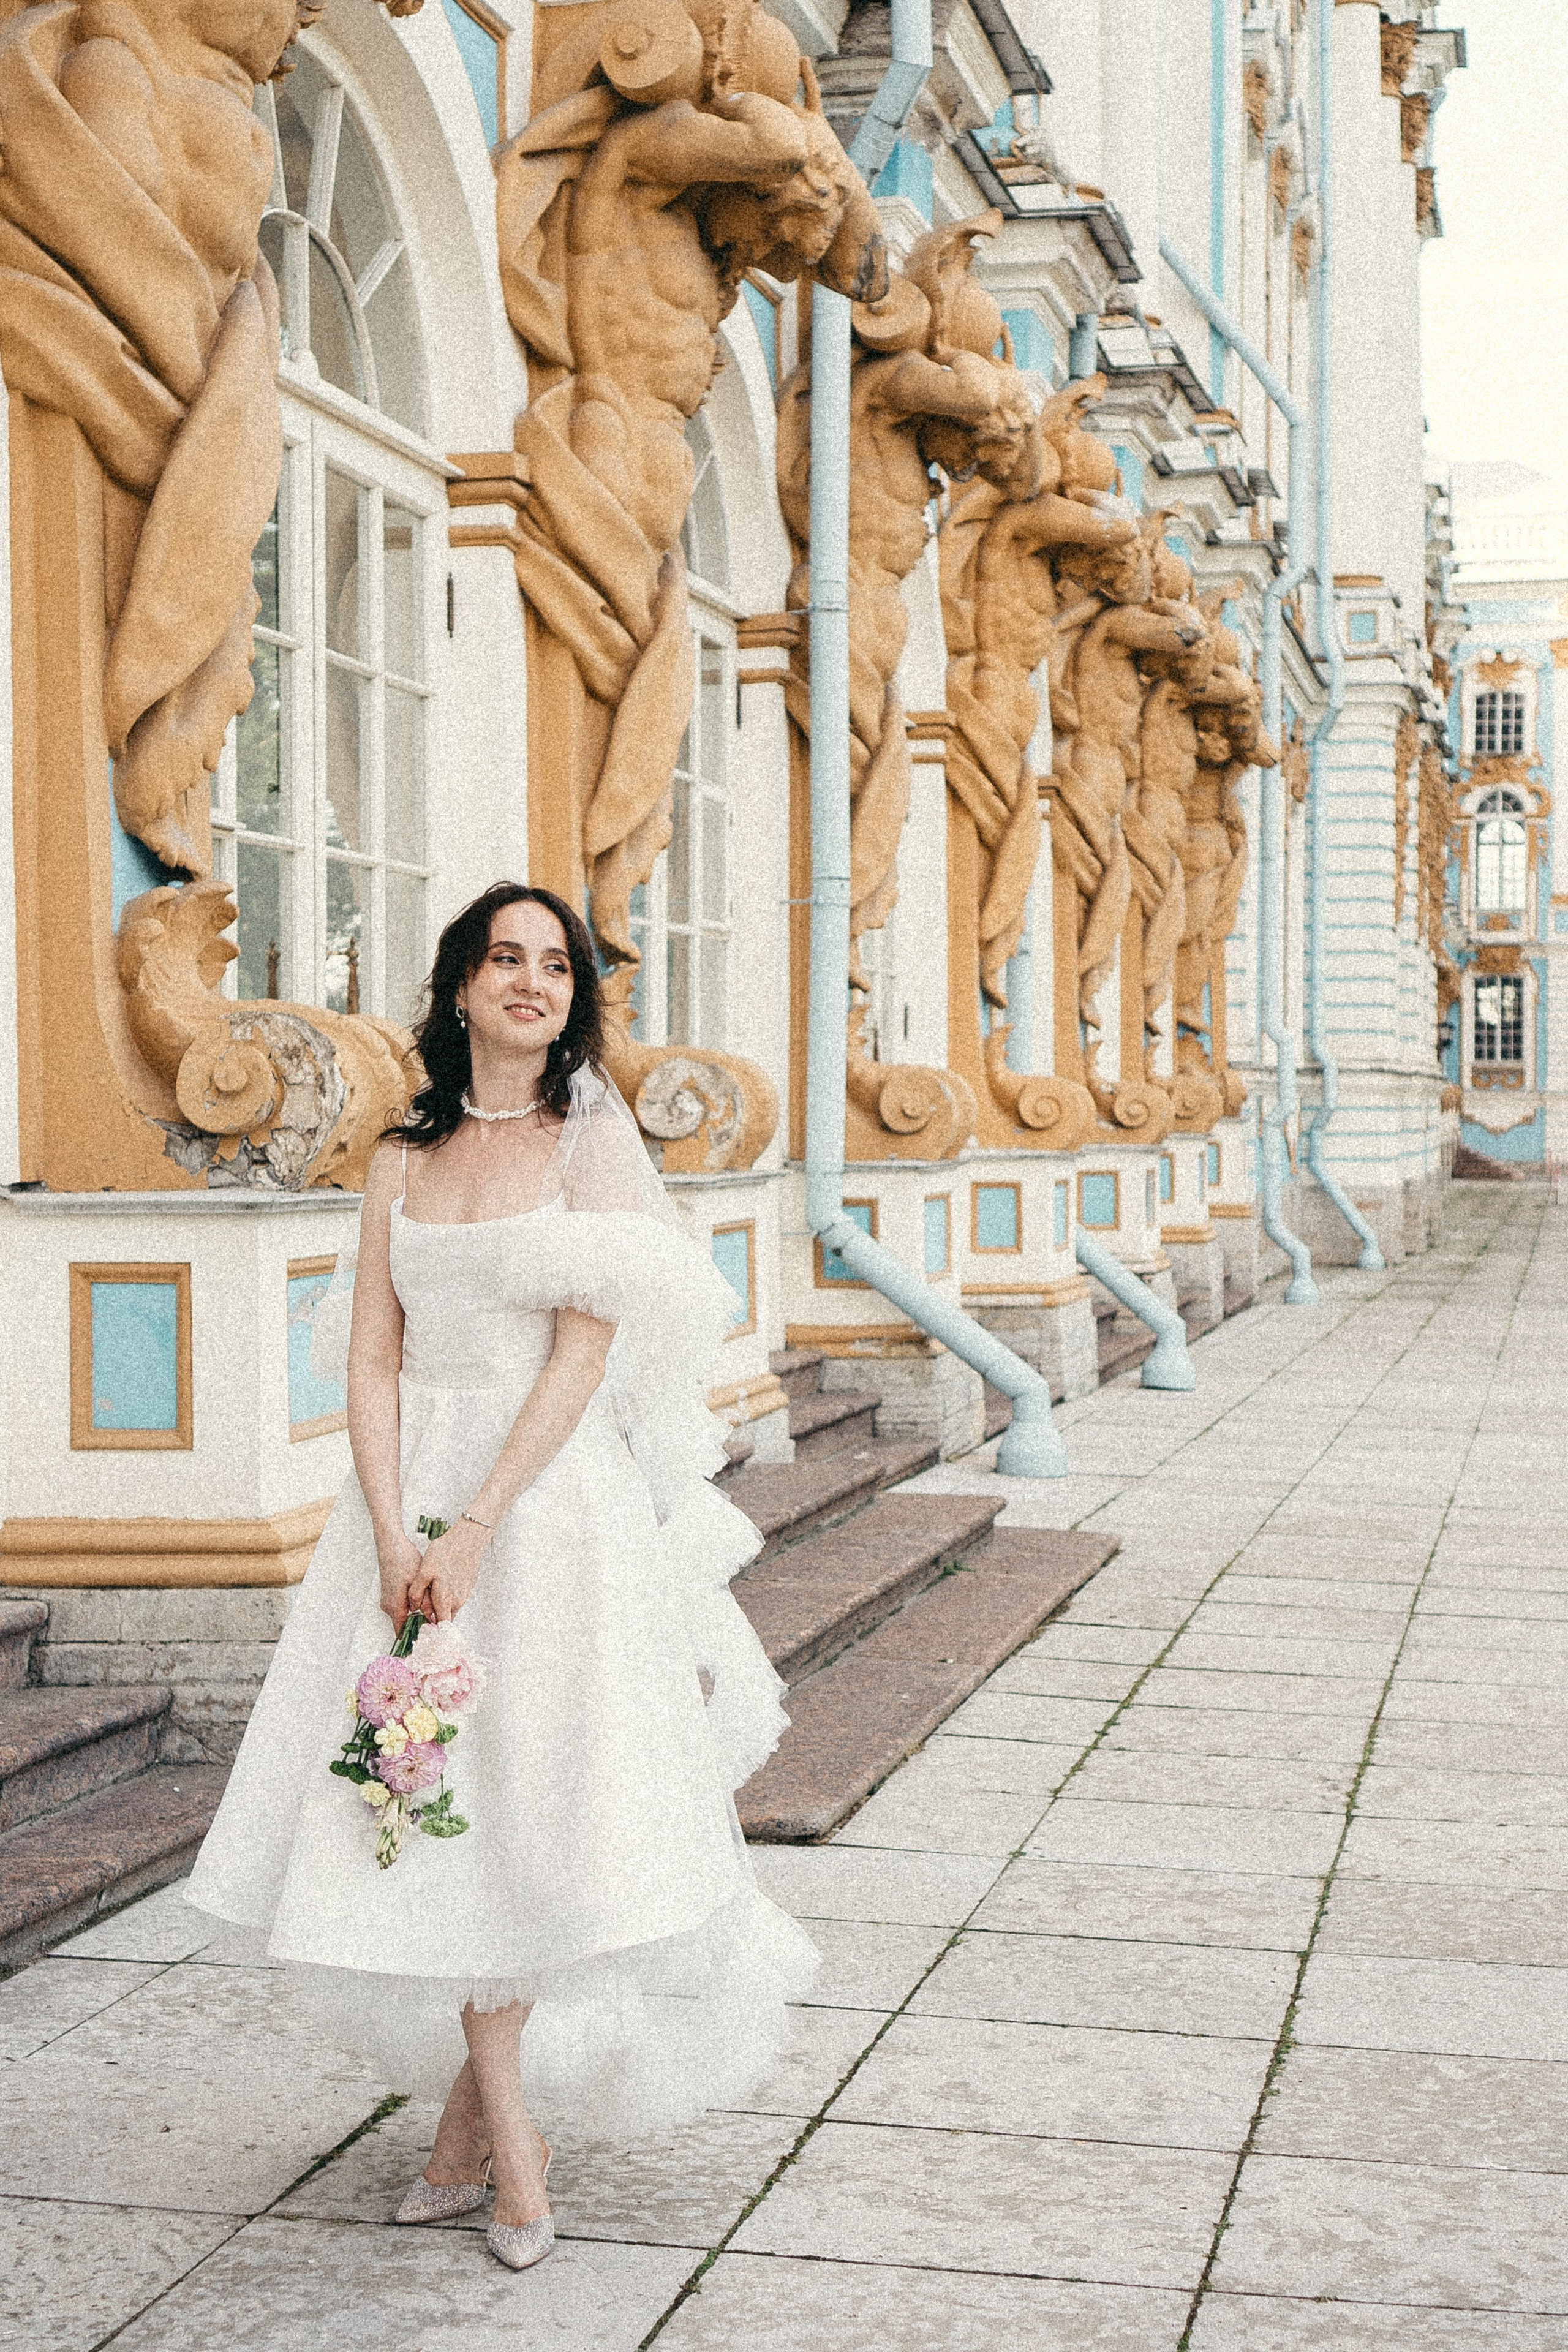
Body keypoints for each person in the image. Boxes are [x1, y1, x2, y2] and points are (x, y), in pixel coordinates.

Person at [186, 881, 815, 2271]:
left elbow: (580, 1360)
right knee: (438, 1795)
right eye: (502, 959)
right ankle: (471, 2141)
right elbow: (368, 1357)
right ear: (460, 988)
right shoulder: (401, 1161)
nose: (530, 981)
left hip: (545, 1512)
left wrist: (472, 1525)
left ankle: (508, 2160)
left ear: (569, 996)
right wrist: (395, 1525)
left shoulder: (585, 1150)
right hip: (403, 1512)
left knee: (527, 1797)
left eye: (553, 964)